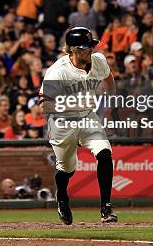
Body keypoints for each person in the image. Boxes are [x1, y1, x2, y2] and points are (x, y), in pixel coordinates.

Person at [40, 27, 117, 224]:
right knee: (67, 169)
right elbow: (44, 104)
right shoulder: (58, 71)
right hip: (62, 123)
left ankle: (106, 207)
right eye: (85, 48)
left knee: (105, 154)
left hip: (87, 117)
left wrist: (111, 102)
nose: (89, 51)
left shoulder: (98, 61)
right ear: (72, 50)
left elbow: (109, 78)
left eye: (91, 46)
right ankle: (62, 198)